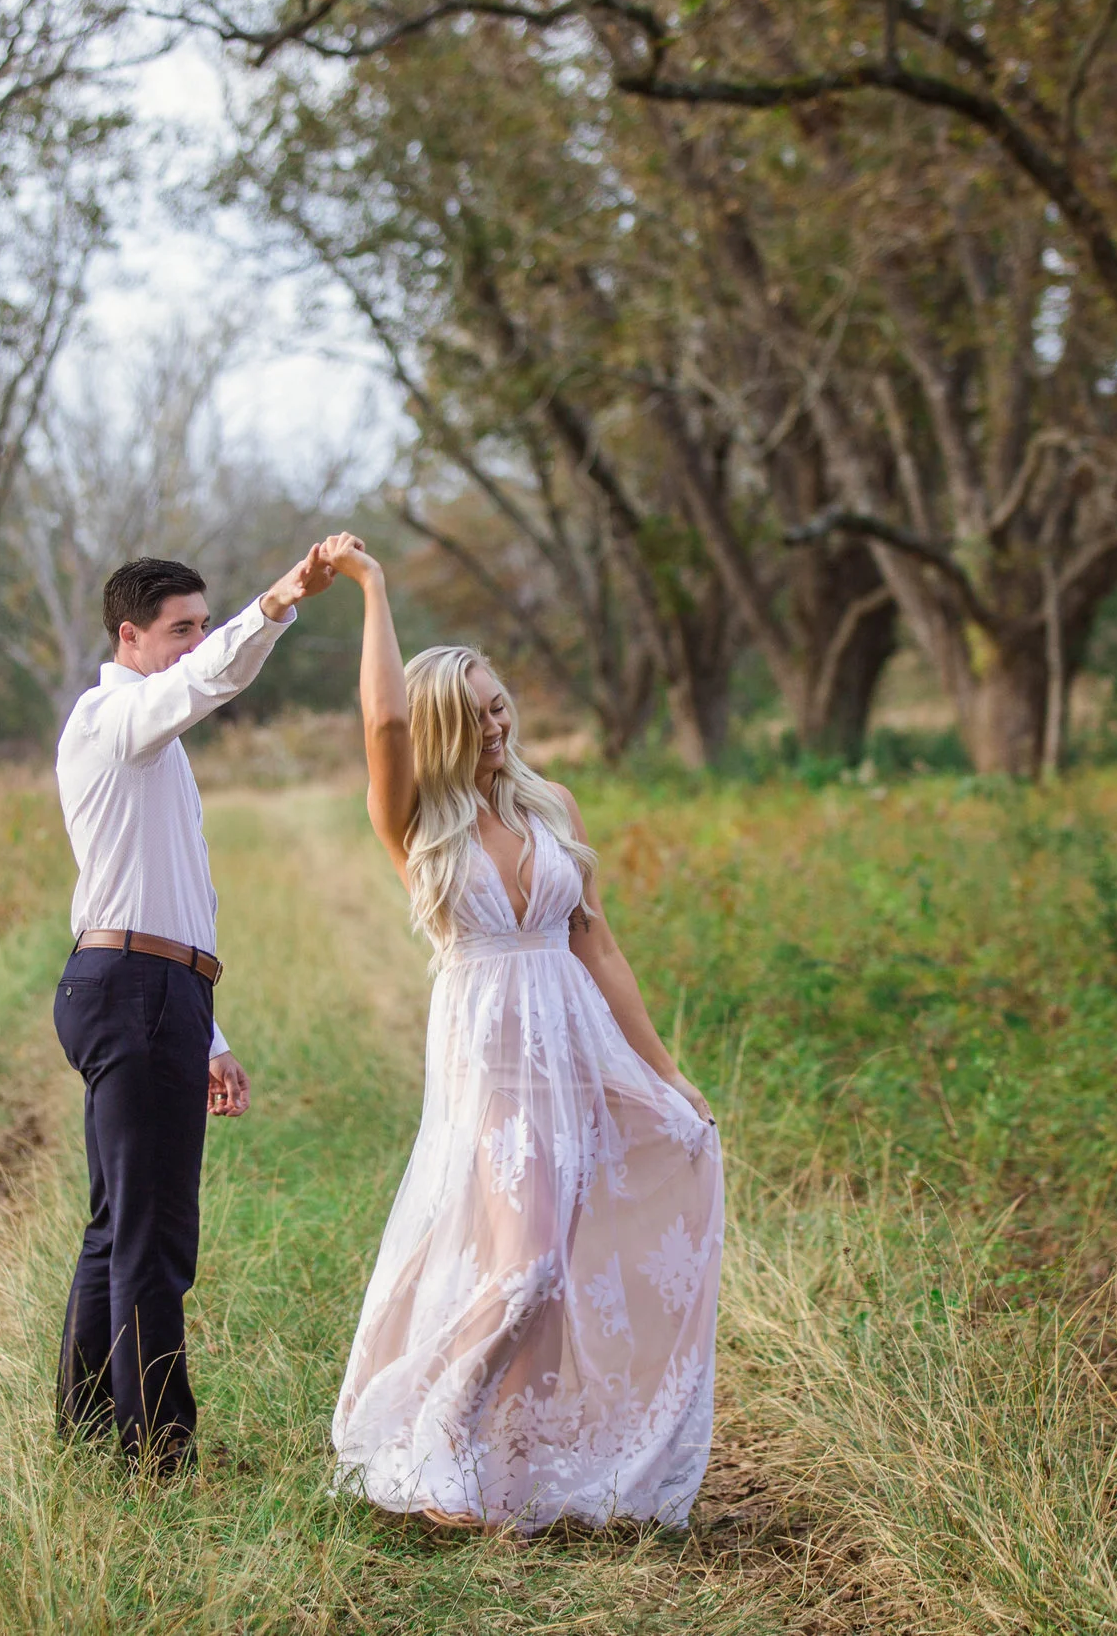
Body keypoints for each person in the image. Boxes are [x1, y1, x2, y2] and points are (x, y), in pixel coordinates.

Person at [320, 531, 724, 1533]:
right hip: (490, 1055)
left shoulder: (552, 807)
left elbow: (599, 945)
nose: (496, 725)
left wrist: (665, 1072)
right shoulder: (419, 822)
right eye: (473, 714)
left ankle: (520, 1464)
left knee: (564, 1262)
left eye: (500, 704)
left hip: (574, 1045)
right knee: (528, 1259)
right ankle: (435, 1432)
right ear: (440, 730)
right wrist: (371, 587)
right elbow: (380, 719)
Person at [50, 546, 339, 1474]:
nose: (198, 644)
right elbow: (212, 678)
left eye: (204, 625)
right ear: (128, 638)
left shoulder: (154, 745)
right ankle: (159, 1456)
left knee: (119, 1224)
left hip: (156, 988)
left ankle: (90, 1430)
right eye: (182, 628)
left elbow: (173, 898)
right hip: (129, 988)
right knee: (154, 1236)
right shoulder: (114, 717)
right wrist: (282, 600)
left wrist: (209, 1033)